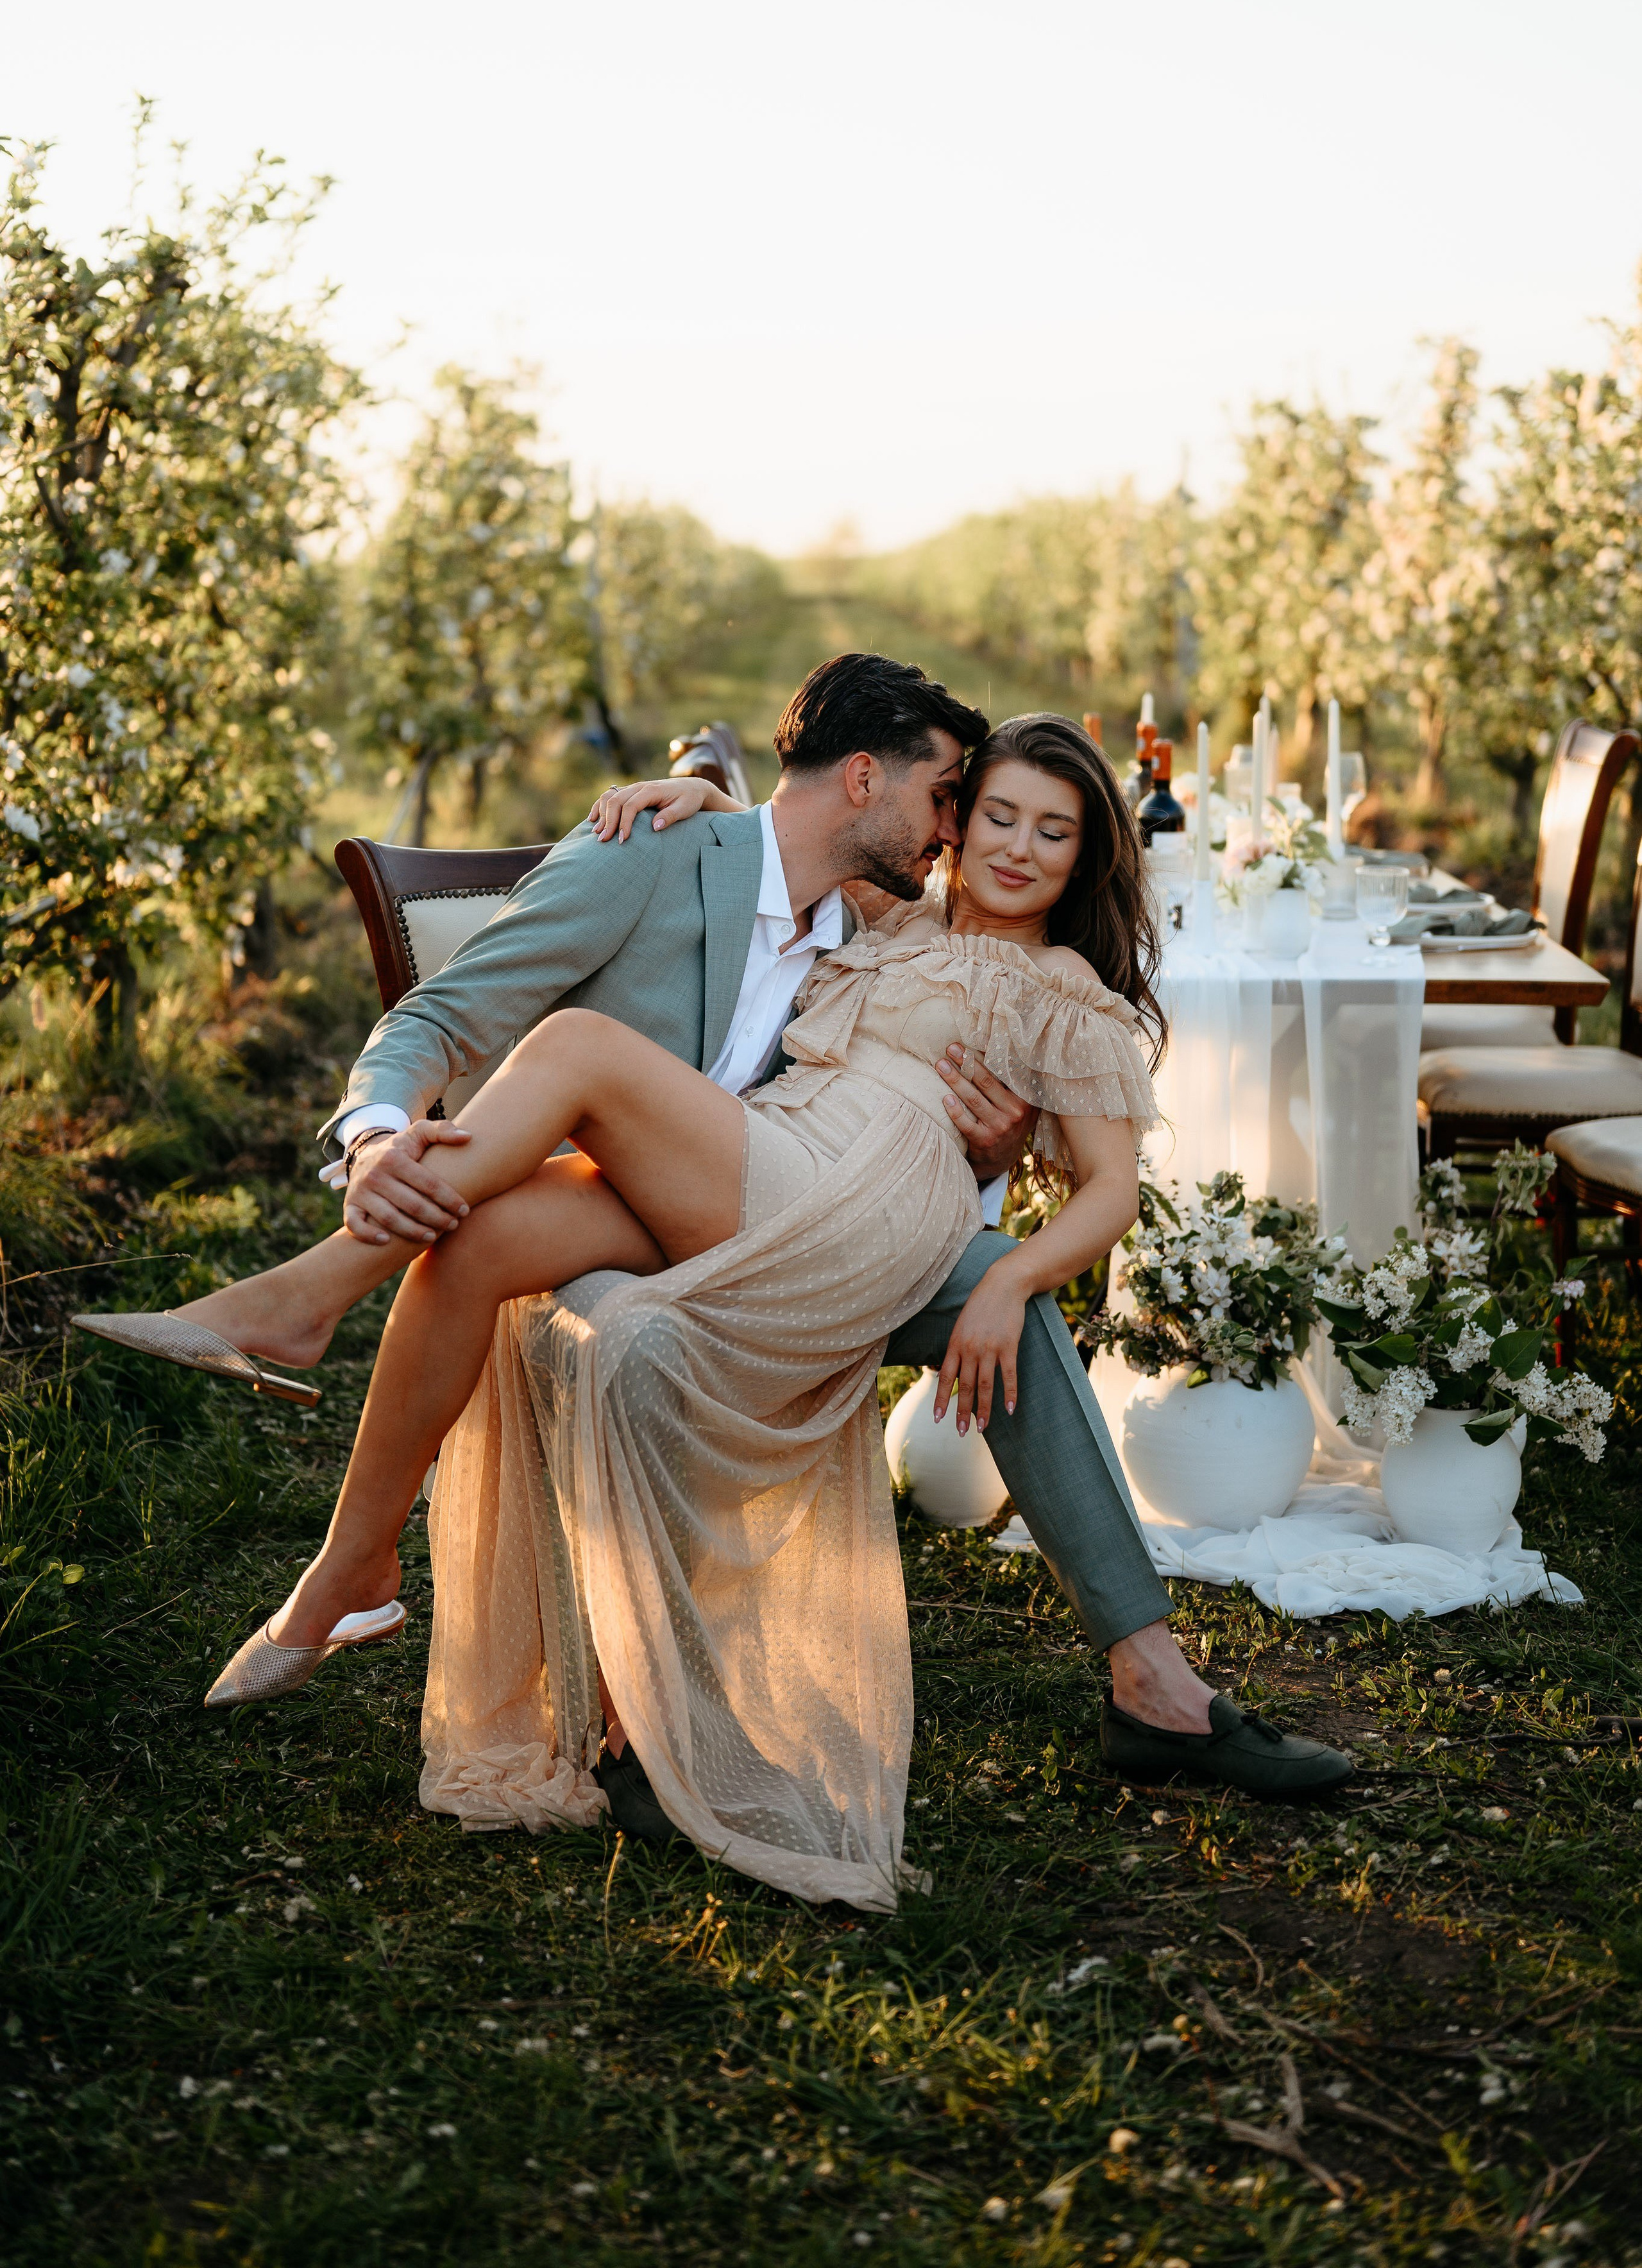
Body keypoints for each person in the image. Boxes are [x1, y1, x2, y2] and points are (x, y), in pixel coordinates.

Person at [76, 662, 1350, 1867]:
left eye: (1029, 823)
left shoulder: (960, 938)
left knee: (611, 1073)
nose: (970, 829)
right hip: (733, 1186)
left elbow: (1082, 1157)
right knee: (486, 1240)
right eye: (961, 800)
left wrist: (1006, 1207)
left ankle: (304, 1296)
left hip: (829, 1208)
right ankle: (348, 1569)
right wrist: (692, 783)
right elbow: (452, 1011)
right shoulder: (783, 885)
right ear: (867, 780)